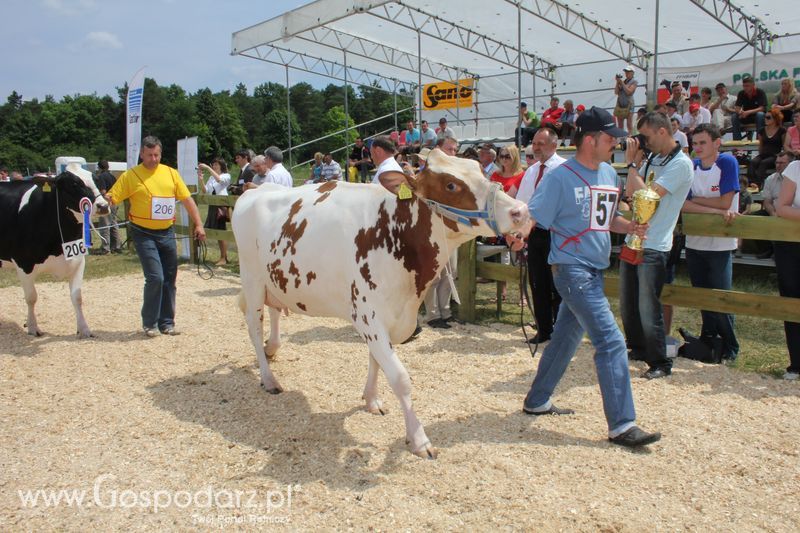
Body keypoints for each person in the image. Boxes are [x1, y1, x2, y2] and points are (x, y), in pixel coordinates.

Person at [506, 106, 660, 447]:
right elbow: (534, 215)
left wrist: (630, 225)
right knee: (611, 341)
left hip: (593, 267)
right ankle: (622, 424)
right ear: (590, 140)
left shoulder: (608, 174)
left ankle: (536, 400)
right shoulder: (560, 178)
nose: (615, 145)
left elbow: (605, 219)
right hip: (572, 270)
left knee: (564, 339)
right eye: (609, 138)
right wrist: (520, 233)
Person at [107, 136, 206, 337]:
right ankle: (149, 322)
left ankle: (167, 323)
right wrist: (101, 201)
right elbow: (112, 197)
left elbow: (187, 200)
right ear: (142, 154)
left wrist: (199, 224)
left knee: (170, 277)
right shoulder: (131, 175)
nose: (153, 158)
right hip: (143, 233)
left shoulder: (171, 173)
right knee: (155, 277)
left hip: (167, 232)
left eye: (157, 155)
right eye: (149, 155)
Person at [622, 112, 694, 379]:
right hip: (635, 238)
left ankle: (661, 362)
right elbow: (631, 194)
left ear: (662, 132)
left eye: (647, 136)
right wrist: (635, 170)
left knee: (648, 306)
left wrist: (631, 167)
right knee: (628, 304)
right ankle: (639, 349)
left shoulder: (682, 164)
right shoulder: (653, 158)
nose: (644, 142)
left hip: (656, 242)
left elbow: (646, 198)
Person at [681, 123, 740, 362]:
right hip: (695, 242)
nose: (697, 148)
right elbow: (683, 204)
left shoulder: (727, 162)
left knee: (720, 297)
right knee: (702, 296)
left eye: (703, 142)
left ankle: (730, 346)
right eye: (695, 143)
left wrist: (699, 202)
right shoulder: (691, 165)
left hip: (720, 244)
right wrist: (713, 208)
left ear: (717, 143)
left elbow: (726, 203)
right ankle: (709, 341)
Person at [516, 127, 566, 344]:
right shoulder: (532, 171)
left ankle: (562, 332)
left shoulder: (564, 168)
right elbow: (523, 202)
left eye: (540, 144)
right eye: (534, 143)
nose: (535, 147)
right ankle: (544, 329)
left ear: (554, 145)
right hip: (536, 233)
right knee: (538, 283)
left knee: (558, 285)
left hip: (557, 233)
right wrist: (519, 232)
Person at [774, 159, 800, 380]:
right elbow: (781, 207)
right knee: (791, 301)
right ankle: (796, 363)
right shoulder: (795, 167)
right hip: (792, 245)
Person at [197, 158, 232, 266]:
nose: (214, 166)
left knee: (221, 230)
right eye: (213, 164)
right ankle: (223, 257)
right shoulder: (211, 177)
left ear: (221, 165)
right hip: (213, 204)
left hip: (221, 206)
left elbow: (219, 180)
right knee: (217, 231)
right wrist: (201, 180)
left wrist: (207, 167)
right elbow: (205, 191)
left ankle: (224, 258)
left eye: (216, 164)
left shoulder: (226, 175)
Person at [749, 108, 785, 188]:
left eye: (768, 117)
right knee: (753, 162)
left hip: (774, 155)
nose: (765, 119)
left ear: (775, 119)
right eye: (765, 117)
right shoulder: (762, 130)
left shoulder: (781, 131)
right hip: (763, 154)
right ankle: (751, 183)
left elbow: (784, 144)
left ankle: (758, 184)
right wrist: (760, 155)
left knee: (763, 163)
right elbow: (761, 145)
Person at [93, 160, 121, 255]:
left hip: (106, 203)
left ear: (99, 167)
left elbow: (103, 191)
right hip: (115, 202)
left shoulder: (101, 177)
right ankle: (117, 246)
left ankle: (105, 248)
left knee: (104, 225)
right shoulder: (112, 176)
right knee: (114, 224)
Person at [731, 75, 767, 141]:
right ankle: (737, 141)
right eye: (744, 86)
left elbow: (762, 108)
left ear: (753, 85)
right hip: (745, 116)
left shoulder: (760, 92)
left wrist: (748, 112)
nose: (745, 88)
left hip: (756, 116)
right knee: (734, 116)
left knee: (760, 115)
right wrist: (740, 113)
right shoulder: (741, 93)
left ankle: (759, 139)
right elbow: (737, 107)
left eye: (747, 86)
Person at [613, 65, 638, 133]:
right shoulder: (623, 81)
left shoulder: (634, 82)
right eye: (626, 71)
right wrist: (617, 82)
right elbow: (616, 92)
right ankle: (622, 140)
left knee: (629, 124)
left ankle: (631, 138)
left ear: (632, 73)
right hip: (621, 105)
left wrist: (622, 83)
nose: (626, 73)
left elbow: (629, 92)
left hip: (629, 105)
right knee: (620, 125)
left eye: (628, 71)